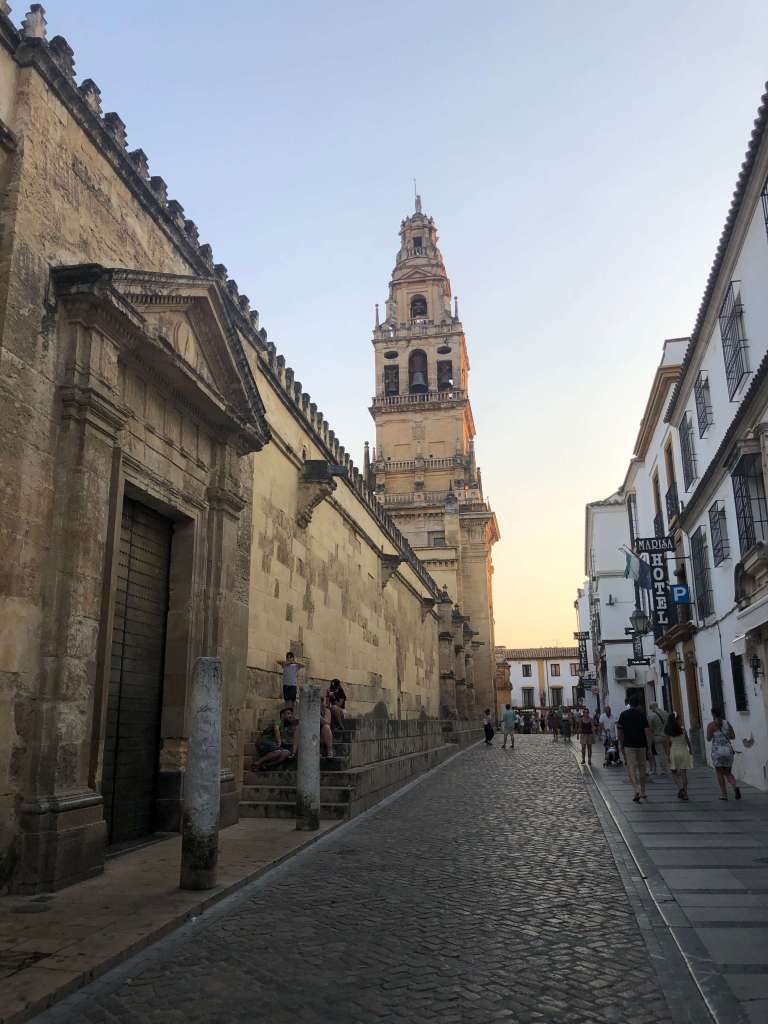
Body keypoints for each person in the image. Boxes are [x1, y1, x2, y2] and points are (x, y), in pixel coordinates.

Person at [618, 696, 651, 802]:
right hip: (641, 745)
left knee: (631, 767)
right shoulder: (642, 715)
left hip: (629, 745)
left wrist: (621, 745)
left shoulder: (623, 715)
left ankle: (636, 789)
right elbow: (647, 732)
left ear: (630, 704)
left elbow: (620, 733)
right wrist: (649, 747)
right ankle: (643, 791)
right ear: (638, 705)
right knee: (642, 767)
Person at [707, 707, 741, 800]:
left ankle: (724, 794)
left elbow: (708, 738)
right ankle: (734, 786)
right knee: (728, 772)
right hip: (728, 750)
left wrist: (715, 736)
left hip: (717, 751)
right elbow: (733, 736)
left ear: (713, 714)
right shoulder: (727, 723)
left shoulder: (711, 725)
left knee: (719, 772)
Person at [665, 711, 693, 800]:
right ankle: (686, 793)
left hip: (674, 752)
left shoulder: (669, 731)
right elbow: (688, 741)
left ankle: (680, 788)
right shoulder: (682, 729)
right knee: (684, 773)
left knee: (674, 772)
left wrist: (668, 755)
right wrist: (691, 750)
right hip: (684, 752)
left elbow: (668, 744)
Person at [647, 701, 670, 775]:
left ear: (651, 708)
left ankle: (664, 769)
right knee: (667, 752)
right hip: (666, 735)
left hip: (657, 736)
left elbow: (650, 728)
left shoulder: (651, 716)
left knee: (661, 753)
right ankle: (670, 767)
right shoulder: (665, 713)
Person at [320, 695, 335, 760]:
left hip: (323, 735)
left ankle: (329, 751)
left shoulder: (326, 711)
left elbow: (327, 722)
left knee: (326, 727)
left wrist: (319, 718)